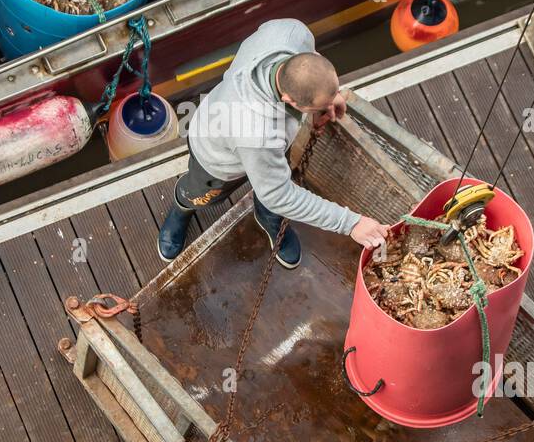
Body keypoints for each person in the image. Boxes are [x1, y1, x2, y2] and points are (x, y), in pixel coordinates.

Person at [158, 18, 391, 268]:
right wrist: (351, 223)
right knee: (202, 195)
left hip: (271, 141)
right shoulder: (257, 135)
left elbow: (312, 62)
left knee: (271, 181)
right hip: (217, 158)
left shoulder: (290, 31)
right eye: (317, 107)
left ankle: (268, 218)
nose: (332, 104)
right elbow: (278, 195)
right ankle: (182, 207)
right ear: (289, 99)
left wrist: (328, 96)